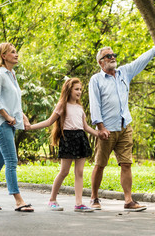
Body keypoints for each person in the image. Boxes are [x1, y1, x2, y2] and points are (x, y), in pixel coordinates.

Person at [89, 30, 155, 211]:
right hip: (107, 130)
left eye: (113, 55)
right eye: (107, 56)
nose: (112, 57)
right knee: (100, 164)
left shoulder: (124, 73)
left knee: (126, 163)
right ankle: (94, 198)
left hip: (124, 126)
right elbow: (94, 104)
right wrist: (100, 127)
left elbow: (141, 60)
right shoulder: (96, 79)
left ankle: (128, 200)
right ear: (100, 62)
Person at [26, 78, 100, 212]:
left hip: (80, 138)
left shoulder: (79, 107)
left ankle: (79, 203)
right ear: (69, 90)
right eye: (76, 89)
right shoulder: (62, 105)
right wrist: (31, 127)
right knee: (64, 171)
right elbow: (49, 121)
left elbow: (85, 127)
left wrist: (98, 134)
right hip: (68, 139)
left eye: (80, 90)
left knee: (80, 172)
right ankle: (52, 200)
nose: (79, 92)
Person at [0, 43, 34, 212]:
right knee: (11, 160)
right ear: (3, 55)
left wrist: (21, 116)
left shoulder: (12, 74)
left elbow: (14, 101)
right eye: (12, 52)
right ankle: (18, 200)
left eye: (16, 52)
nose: (16, 54)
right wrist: (7, 116)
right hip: (2, 122)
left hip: (11, 122)